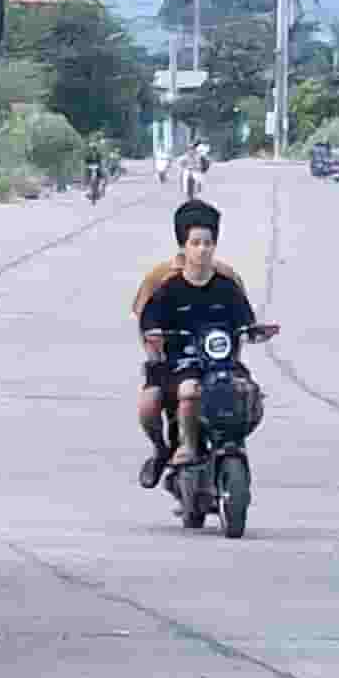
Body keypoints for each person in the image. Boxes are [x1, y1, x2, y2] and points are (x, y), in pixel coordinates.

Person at [133, 198, 261, 485]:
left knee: (247, 393)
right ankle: (162, 450)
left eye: (208, 242)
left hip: (218, 359)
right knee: (149, 403)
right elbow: (145, 320)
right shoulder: (161, 280)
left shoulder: (227, 280)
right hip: (174, 359)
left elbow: (243, 320)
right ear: (183, 242)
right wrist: (155, 353)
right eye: (196, 242)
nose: (202, 249)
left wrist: (249, 336)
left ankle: (230, 444)